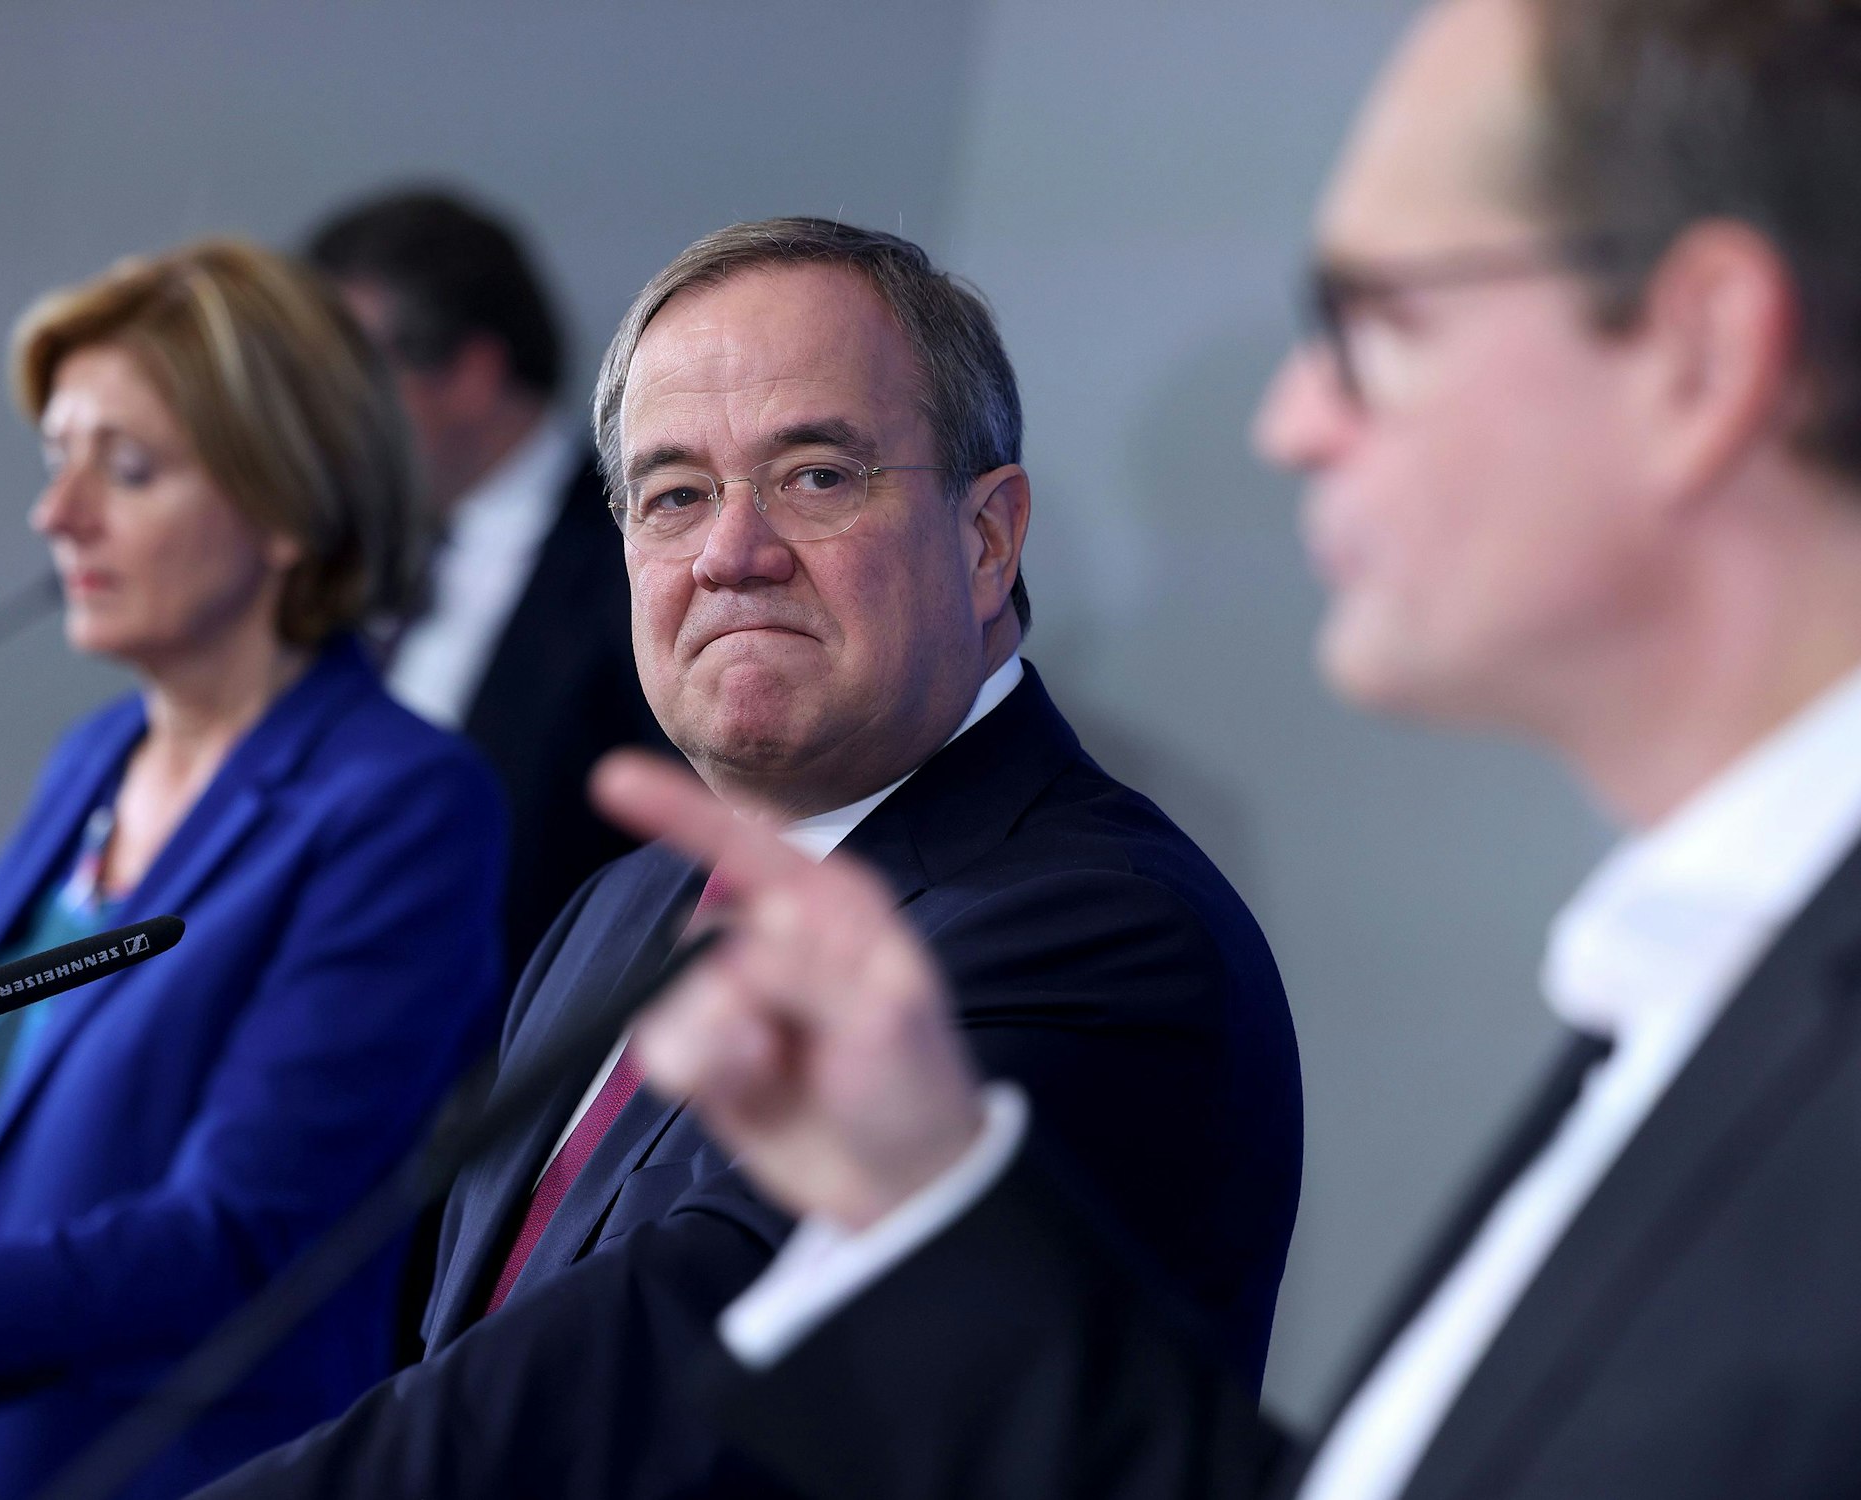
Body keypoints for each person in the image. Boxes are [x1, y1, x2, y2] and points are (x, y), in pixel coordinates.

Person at [595, 1, 1861, 1497]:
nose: (1293, 421)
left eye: (1377, 320)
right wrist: (920, 1211)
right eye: (670, 496)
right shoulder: (1697, 976)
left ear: (1699, 353)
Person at [190, 217, 1302, 1499]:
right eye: (674, 496)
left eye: (815, 475)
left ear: (988, 538)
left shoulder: (1100, 930)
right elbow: (463, 1351)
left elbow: (667, 1350)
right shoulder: (620, 908)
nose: (731, 554)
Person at [0, 241, 509, 1500]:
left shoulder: (403, 807)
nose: (59, 515)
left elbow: (243, 1226)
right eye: (58, 461)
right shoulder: (96, 753)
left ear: (285, 509)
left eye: (130, 468)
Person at [305, 187, 670, 968]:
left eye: (342, 378)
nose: (312, 418)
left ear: (470, 376)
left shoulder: (643, 559)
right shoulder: (315, 550)